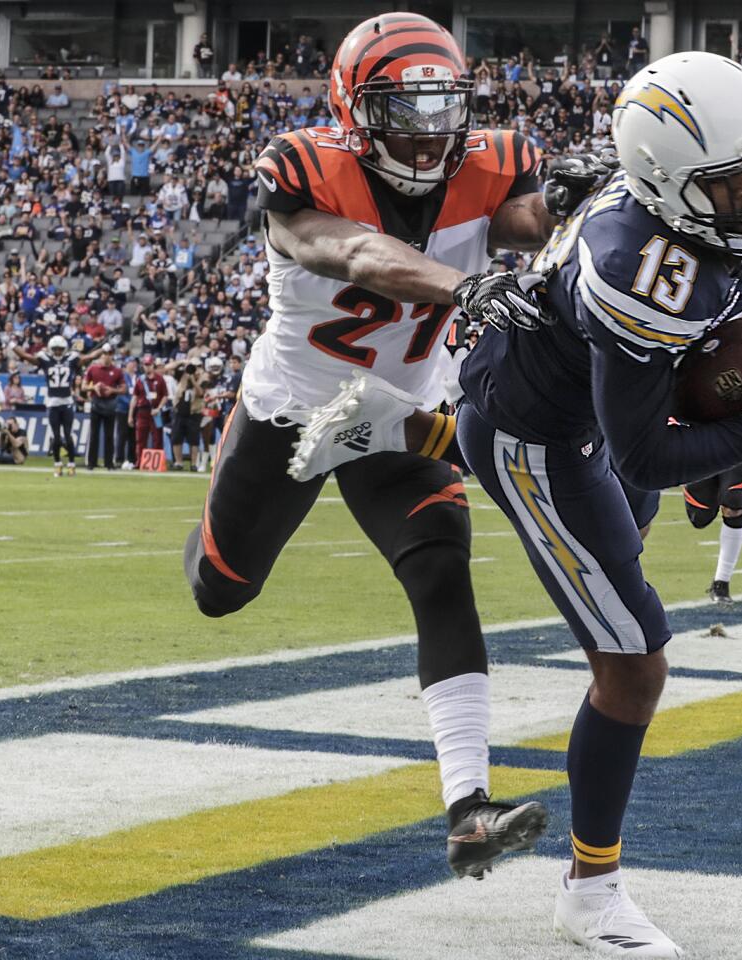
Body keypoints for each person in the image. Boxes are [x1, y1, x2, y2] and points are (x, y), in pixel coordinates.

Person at [291, 52, 742, 957]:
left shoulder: (658, 205)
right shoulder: (639, 268)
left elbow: (699, 309)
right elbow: (647, 452)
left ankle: (400, 428)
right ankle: (592, 890)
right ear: (671, 182)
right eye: (731, 178)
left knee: (634, 537)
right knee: (635, 663)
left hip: (536, 387)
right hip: (539, 439)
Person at [181, 13, 605, 883]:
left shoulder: (489, 162)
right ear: (351, 112)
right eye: (401, 111)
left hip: (395, 414)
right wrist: (466, 283)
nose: (426, 131)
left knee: (442, 565)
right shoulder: (304, 173)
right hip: (295, 412)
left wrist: (573, 202)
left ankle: (468, 810)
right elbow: (356, 252)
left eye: (440, 109)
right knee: (219, 590)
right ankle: (222, 478)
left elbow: (524, 220)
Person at [13, 334, 87, 477]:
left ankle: (71, 465)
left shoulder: (71, 358)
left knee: (68, 435)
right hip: (53, 402)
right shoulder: (45, 359)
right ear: (51, 349)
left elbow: (88, 358)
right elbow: (26, 356)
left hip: (66, 401)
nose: (58, 352)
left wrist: (104, 349)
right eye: (56, 349)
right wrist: (12, 346)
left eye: (60, 349)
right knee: (56, 437)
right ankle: (57, 464)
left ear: (64, 349)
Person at [683, 463, 742, 604]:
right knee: (699, 517)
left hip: (738, 446)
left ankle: (721, 582)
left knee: (734, 501)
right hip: (701, 447)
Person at [82, 346, 124, 470]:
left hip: (110, 404)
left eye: (109, 353)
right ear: (101, 355)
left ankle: (109, 463)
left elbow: (124, 389)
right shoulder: (93, 369)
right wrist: (93, 387)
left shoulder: (117, 371)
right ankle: (91, 463)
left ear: (112, 355)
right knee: (94, 435)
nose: (107, 355)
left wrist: (112, 390)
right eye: (105, 353)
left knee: (109, 435)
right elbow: (83, 387)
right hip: (96, 403)